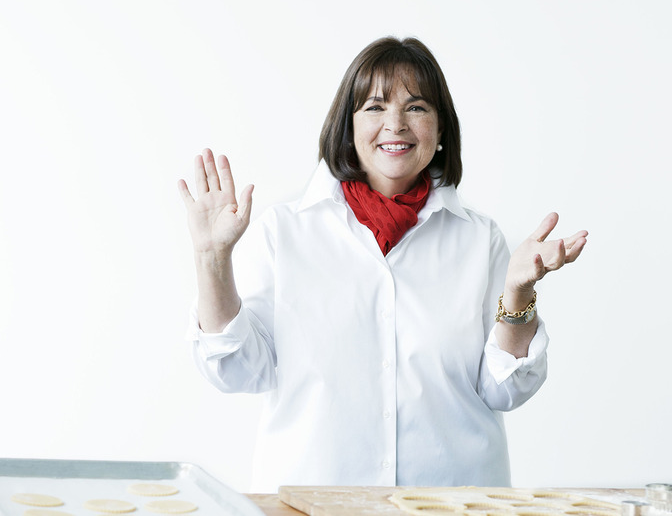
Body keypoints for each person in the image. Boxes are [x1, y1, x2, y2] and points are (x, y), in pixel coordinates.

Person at [177, 36, 587, 492]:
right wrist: (212, 259)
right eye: (374, 107)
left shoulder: (480, 239)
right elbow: (236, 369)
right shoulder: (285, 232)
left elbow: (504, 389)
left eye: (416, 108)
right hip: (312, 503)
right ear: (347, 127)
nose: (396, 124)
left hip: (453, 502)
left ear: (441, 129)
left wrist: (519, 294)